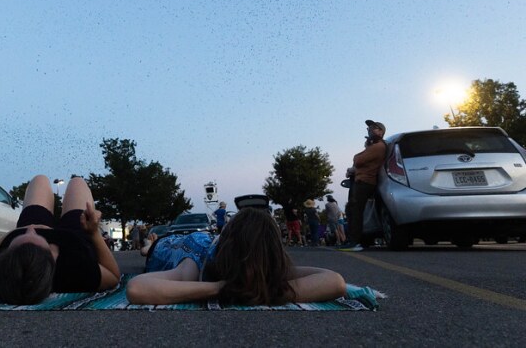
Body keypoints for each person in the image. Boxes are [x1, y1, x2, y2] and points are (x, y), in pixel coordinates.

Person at [127, 208, 346, 306]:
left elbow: (335, 281)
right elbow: (136, 288)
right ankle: (149, 243)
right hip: (172, 246)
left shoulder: (265, 264)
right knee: (150, 247)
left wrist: (264, 289)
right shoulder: (195, 264)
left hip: (206, 239)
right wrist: (221, 288)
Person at [0, 174, 121, 304]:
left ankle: (21, 239)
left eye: (23, 236)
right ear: (54, 256)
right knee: (77, 182)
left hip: (23, 241)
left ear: (4, 254)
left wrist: (8, 236)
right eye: (36, 235)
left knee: (40, 180)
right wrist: (93, 233)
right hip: (75, 236)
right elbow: (114, 276)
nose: (31, 230)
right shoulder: (75, 271)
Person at [339, 120, 387, 252]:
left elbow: (358, 159)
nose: (370, 130)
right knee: (352, 209)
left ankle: (355, 242)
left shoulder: (378, 146)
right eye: (369, 128)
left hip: (365, 182)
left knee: (355, 211)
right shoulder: (375, 146)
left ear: (381, 131)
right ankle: (352, 240)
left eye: (373, 128)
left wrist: (366, 149)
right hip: (361, 180)